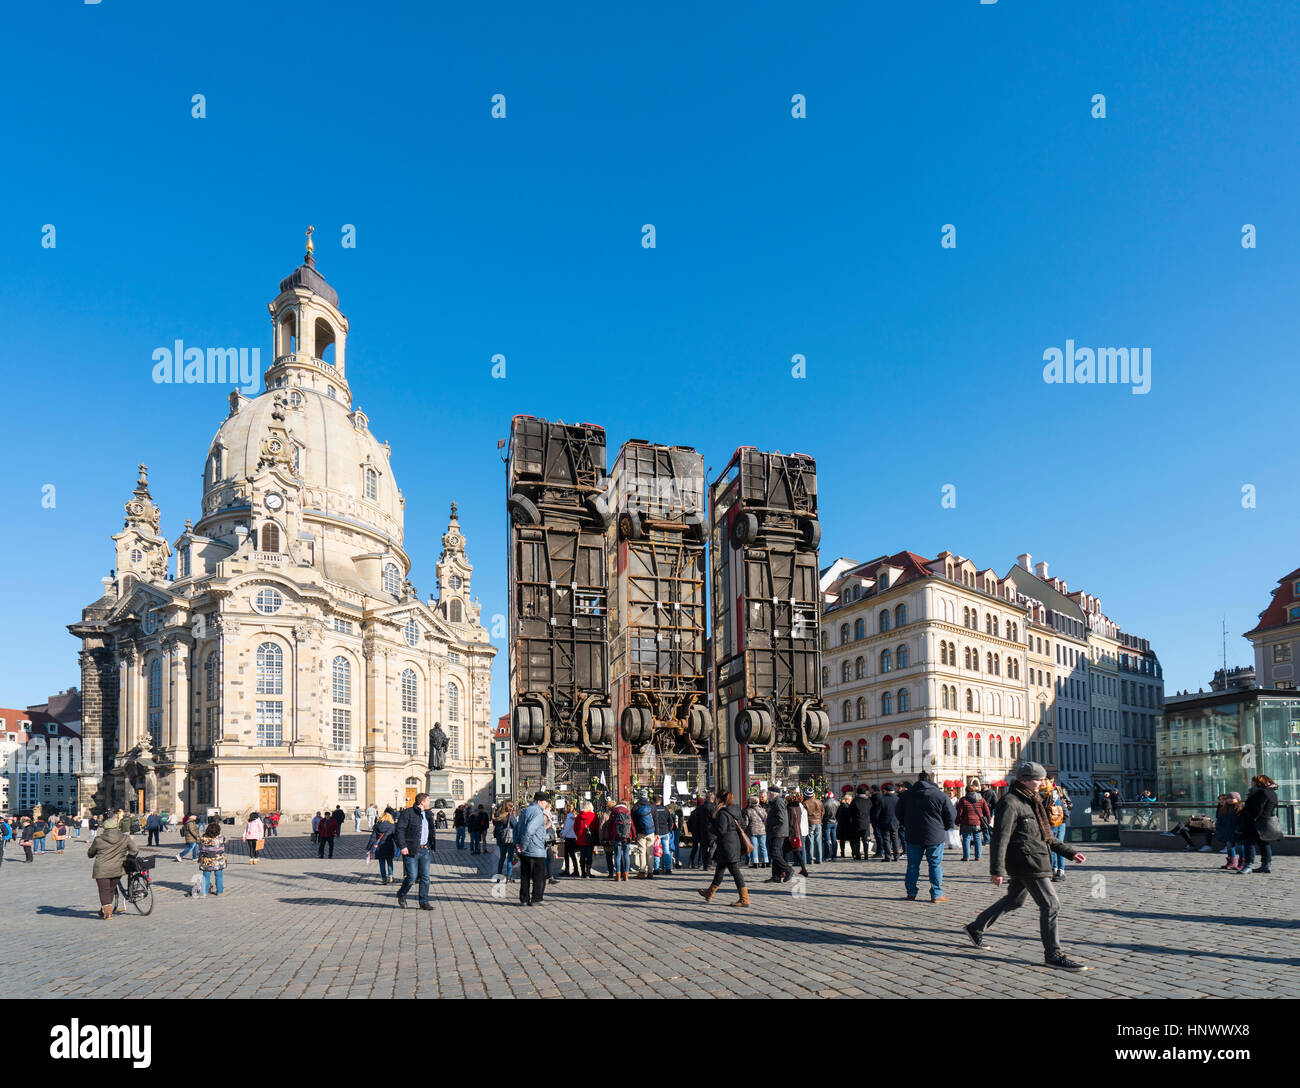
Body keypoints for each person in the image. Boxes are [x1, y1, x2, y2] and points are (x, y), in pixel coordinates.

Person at [964, 761, 1089, 970]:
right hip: (1027, 862)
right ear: (1025, 780)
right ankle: (1053, 954)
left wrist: (1070, 852)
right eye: (1039, 779)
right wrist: (997, 870)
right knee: (1051, 905)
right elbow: (1000, 838)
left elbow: (1046, 836)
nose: (1043, 783)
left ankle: (976, 927)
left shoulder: (1034, 801)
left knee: (1014, 901)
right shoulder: (1010, 802)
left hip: (1035, 858)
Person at [898, 771, 955, 902]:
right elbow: (951, 815)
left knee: (912, 865)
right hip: (934, 835)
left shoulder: (906, 795)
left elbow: (898, 813)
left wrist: (907, 824)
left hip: (913, 834)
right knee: (935, 864)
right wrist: (944, 827)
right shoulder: (940, 795)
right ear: (932, 780)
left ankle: (911, 893)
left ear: (918, 779)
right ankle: (936, 894)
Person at [698, 791, 749, 906]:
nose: (715, 800)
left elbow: (720, 830)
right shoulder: (735, 810)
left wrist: (712, 821)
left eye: (717, 798)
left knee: (735, 871)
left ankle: (744, 898)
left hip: (727, 845)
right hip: (733, 842)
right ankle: (709, 893)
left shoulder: (723, 813)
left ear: (720, 799)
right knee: (719, 869)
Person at [87, 814, 138, 920]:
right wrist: (128, 857)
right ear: (117, 826)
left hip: (102, 869)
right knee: (110, 889)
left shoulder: (99, 839)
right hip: (118, 868)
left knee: (104, 890)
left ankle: (108, 914)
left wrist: (92, 852)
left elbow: (90, 854)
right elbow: (135, 850)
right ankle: (104, 910)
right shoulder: (125, 838)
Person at [393, 792, 437, 909]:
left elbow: (430, 830)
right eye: (428, 800)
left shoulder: (428, 814)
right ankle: (401, 894)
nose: (429, 803)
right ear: (422, 802)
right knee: (412, 876)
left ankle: (424, 902)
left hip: (424, 850)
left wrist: (430, 844)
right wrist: (402, 846)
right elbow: (399, 830)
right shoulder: (408, 813)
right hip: (411, 849)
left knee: (425, 877)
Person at [514, 791, 552, 905]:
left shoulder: (525, 810)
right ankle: (537, 898)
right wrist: (524, 846)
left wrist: (518, 844)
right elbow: (530, 830)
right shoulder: (538, 812)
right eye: (545, 802)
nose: (546, 804)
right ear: (540, 801)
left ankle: (524, 899)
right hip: (536, 850)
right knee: (539, 876)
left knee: (525, 876)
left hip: (525, 850)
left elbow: (517, 828)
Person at [1240, 774, 1280, 875]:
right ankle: (1266, 865)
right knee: (1264, 843)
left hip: (1255, 822)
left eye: (1253, 781)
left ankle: (1248, 865)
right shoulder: (1272, 792)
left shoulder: (1260, 792)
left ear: (1258, 782)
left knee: (1249, 843)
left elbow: (1258, 809)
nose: (1251, 783)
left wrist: (1249, 814)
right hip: (1265, 821)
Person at [1043, 780, 1071, 881]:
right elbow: (1066, 810)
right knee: (1058, 846)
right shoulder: (1056, 794)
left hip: (1054, 824)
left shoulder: (1046, 797)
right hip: (1060, 822)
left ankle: (1056, 869)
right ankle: (1058, 870)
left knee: (1054, 847)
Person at [955, 785, 991, 862]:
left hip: (966, 822)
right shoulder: (981, 799)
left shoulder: (963, 800)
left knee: (966, 839)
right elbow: (987, 811)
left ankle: (966, 857)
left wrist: (957, 821)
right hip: (977, 823)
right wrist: (988, 820)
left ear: (966, 791)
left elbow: (959, 813)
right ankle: (978, 856)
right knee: (978, 839)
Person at [765, 787, 791, 883]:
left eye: (768, 793)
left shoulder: (778, 802)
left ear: (772, 794)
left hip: (779, 832)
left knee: (775, 853)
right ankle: (776, 876)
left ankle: (788, 870)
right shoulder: (775, 802)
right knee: (775, 853)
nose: (767, 795)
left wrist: (768, 821)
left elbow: (781, 819)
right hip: (776, 832)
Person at [606, 796, 634, 881]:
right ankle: (626, 875)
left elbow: (609, 826)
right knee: (626, 856)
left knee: (617, 856)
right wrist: (634, 836)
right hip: (627, 837)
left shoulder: (614, 812)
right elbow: (632, 826)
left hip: (616, 837)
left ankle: (618, 875)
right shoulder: (627, 812)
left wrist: (610, 838)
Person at [1216, 793, 1247, 871]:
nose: (1229, 799)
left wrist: (1239, 828)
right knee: (1230, 846)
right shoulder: (1224, 808)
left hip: (1237, 831)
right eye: (1228, 798)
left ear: (1237, 798)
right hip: (1227, 831)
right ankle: (1231, 862)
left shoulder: (1242, 807)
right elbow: (1219, 819)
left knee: (1240, 847)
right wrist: (1219, 827)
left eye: (1231, 798)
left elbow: (1244, 820)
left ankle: (1242, 862)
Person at [197, 818, 227, 896]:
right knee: (219, 876)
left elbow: (200, 848)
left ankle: (204, 892)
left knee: (206, 876)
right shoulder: (221, 837)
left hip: (207, 860)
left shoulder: (203, 838)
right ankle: (220, 891)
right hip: (218, 860)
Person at [631, 790, 657, 879]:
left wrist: (636, 832)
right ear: (647, 796)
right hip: (651, 832)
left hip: (640, 832)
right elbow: (655, 819)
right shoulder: (652, 806)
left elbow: (633, 822)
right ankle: (650, 872)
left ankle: (642, 872)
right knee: (650, 852)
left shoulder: (635, 807)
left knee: (642, 852)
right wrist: (656, 832)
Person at [368, 808, 398, 884]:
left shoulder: (377, 826)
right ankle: (390, 877)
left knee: (382, 863)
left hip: (379, 847)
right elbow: (396, 838)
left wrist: (369, 847)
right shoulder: (392, 826)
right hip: (389, 846)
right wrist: (399, 846)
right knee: (390, 862)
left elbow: (373, 837)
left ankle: (384, 879)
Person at [876, 784, 902, 861]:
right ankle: (896, 856)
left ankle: (888, 856)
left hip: (884, 822)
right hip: (895, 822)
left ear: (886, 791)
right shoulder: (898, 799)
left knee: (886, 839)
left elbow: (877, 813)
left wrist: (876, 821)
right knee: (895, 839)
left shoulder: (882, 799)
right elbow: (901, 811)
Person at [573, 800, 598, 878]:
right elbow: (596, 827)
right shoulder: (594, 816)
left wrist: (579, 835)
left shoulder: (579, 816)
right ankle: (588, 872)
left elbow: (575, 828)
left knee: (582, 856)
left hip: (581, 839)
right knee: (589, 856)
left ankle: (583, 872)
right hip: (590, 839)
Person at [786, 792, 809, 877]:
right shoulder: (798, 808)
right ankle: (803, 869)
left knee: (785, 852)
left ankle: (785, 871)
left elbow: (788, 821)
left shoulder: (789, 808)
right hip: (797, 831)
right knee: (797, 852)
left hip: (791, 832)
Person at [744, 793, 768, 868]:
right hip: (762, 830)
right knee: (763, 846)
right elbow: (766, 819)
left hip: (752, 831)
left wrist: (744, 830)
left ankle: (755, 863)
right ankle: (765, 862)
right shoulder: (763, 810)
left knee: (754, 847)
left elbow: (746, 823)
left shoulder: (748, 811)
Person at [652, 795, 674, 874]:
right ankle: (668, 868)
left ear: (653, 801)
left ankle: (656, 869)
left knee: (656, 851)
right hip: (665, 832)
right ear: (660, 801)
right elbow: (671, 821)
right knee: (666, 851)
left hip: (656, 833)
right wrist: (668, 829)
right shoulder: (665, 809)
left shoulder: (653, 809)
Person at [851, 786, 874, 860]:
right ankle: (866, 855)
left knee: (857, 840)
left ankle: (857, 855)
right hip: (866, 822)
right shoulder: (868, 800)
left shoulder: (855, 800)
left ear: (857, 792)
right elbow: (871, 809)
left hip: (857, 822)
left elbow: (850, 811)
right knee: (865, 840)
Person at [803, 788, 824, 864]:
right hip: (818, 822)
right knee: (818, 841)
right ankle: (819, 859)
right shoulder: (819, 801)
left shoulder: (805, 803)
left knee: (810, 841)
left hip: (810, 823)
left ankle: (811, 859)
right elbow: (822, 812)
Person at [836, 792, 857, 858]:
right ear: (848, 800)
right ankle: (853, 852)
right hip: (848, 826)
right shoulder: (847, 806)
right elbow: (849, 816)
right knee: (851, 840)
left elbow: (837, 816)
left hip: (841, 825)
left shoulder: (840, 806)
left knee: (842, 840)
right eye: (851, 800)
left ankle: (842, 853)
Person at [561, 804, 579, 874]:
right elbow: (566, 827)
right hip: (572, 837)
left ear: (568, 809)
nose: (564, 809)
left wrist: (563, 835)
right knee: (571, 854)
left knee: (569, 855)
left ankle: (570, 870)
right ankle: (573, 869)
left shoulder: (570, 816)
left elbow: (567, 827)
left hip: (569, 837)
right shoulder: (572, 816)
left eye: (565, 808)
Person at [822, 792, 839, 862]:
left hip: (827, 822)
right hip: (835, 822)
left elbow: (823, 813)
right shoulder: (837, 803)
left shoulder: (824, 803)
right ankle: (834, 856)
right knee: (834, 840)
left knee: (827, 840)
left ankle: (827, 856)